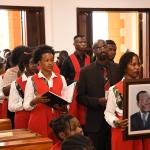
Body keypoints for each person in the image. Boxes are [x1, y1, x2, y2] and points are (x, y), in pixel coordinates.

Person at [76, 39, 121, 150]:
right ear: (93, 51)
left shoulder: (118, 69)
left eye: (104, 47)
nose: (102, 50)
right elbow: (80, 97)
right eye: (98, 48)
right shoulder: (86, 71)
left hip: (115, 120)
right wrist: (97, 101)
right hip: (95, 122)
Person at [104, 51, 150, 150]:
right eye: (133, 64)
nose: (137, 67)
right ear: (124, 67)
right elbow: (108, 113)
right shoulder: (114, 89)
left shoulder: (146, 87)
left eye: (139, 64)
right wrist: (117, 122)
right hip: (123, 133)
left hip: (144, 133)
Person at [23, 45, 68, 140]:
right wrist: (34, 101)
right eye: (46, 61)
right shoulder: (32, 80)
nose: (50, 63)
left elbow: (66, 100)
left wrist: (65, 107)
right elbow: (26, 106)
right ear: (39, 62)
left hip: (57, 121)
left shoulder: (61, 78)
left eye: (52, 60)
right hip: (39, 119)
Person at [61, 35, 91, 121]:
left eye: (84, 42)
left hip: (87, 92)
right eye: (80, 42)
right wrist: (73, 82)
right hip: (73, 93)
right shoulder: (68, 60)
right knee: (74, 116)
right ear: (74, 44)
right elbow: (62, 78)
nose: (83, 44)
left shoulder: (89, 58)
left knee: (86, 117)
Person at [8, 49, 38, 129]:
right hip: (22, 117)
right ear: (25, 64)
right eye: (32, 63)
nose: (35, 65)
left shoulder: (41, 79)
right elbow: (11, 107)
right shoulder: (16, 83)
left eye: (36, 63)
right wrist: (25, 103)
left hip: (38, 116)